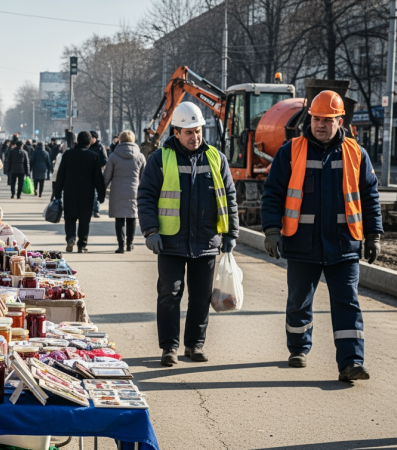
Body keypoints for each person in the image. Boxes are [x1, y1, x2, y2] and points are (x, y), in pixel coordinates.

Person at [260, 90, 382, 382]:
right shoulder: (291, 151)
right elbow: (273, 193)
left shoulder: (356, 154)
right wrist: (272, 230)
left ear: (341, 121)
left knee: (347, 302)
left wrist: (374, 234)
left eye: (327, 120)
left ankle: (351, 361)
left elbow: (370, 196)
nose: (320, 125)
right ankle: (299, 348)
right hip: (303, 244)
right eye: (316, 119)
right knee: (299, 300)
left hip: (344, 244)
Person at [137, 102, 239, 367]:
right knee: (169, 294)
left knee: (201, 296)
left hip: (206, 241)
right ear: (176, 132)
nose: (195, 137)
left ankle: (195, 345)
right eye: (189, 132)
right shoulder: (160, 158)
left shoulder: (216, 158)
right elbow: (146, 196)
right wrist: (150, 230)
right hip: (170, 241)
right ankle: (169, 347)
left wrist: (231, 233)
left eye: (198, 131)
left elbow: (229, 197)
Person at [53, 131, 105, 253]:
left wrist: (57, 193)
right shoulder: (93, 156)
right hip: (87, 193)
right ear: (88, 141)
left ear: (77, 140)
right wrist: (101, 194)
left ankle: (71, 237)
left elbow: (61, 175)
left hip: (70, 192)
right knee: (84, 219)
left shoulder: (68, 154)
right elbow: (98, 178)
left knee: (70, 217)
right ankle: (82, 244)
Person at [104, 130, 146, 253]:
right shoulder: (140, 156)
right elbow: (144, 177)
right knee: (132, 218)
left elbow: (107, 175)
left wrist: (101, 189)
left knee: (119, 218)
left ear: (120, 140)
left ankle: (121, 245)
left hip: (117, 190)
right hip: (134, 190)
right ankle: (130, 244)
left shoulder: (114, 156)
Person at [89, 131, 108, 218]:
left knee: (95, 192)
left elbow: (105, 159)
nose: (90, 139)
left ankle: (96, 210)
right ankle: (90, 209)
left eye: (92, 138)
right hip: (88, 172)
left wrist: (98, 166)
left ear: (95, 138)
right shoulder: (87, 146)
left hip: (97, 172)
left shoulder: (100, 147)